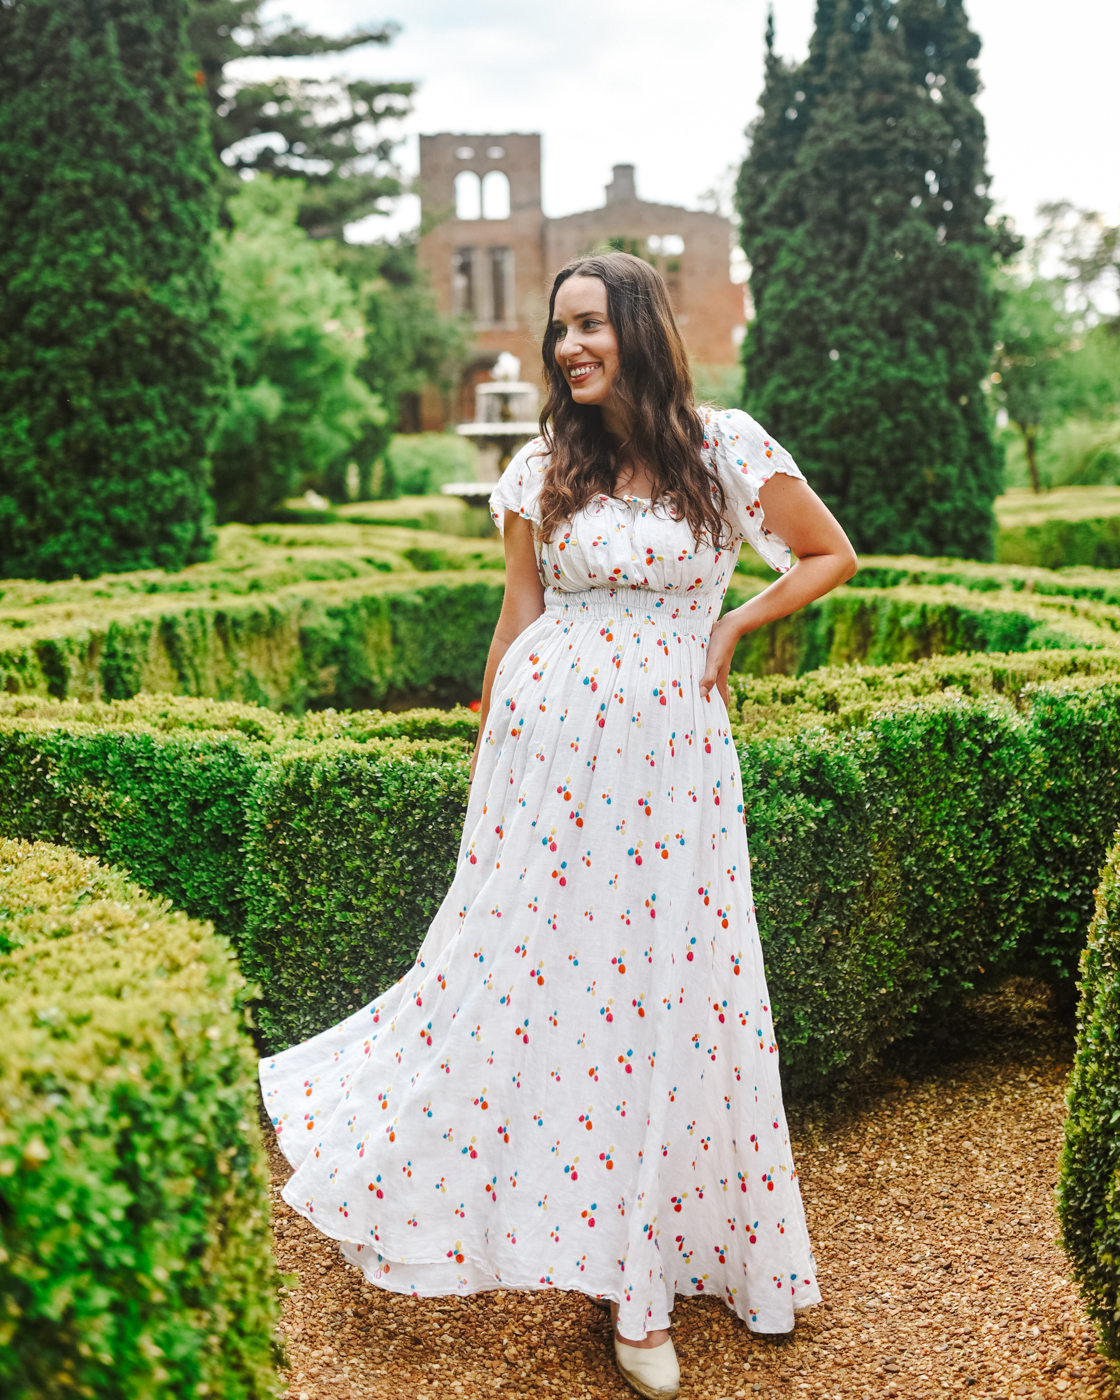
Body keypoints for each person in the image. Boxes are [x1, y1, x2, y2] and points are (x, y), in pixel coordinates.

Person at [260, 251, 858, 1399]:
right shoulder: (543, 465)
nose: (570, 347)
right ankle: (581, 1255)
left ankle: (665, 1266)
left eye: (589, 324)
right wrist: (488, 751)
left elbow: (828, 553)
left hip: (672, 763)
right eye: (558, 331)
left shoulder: (724, 445)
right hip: (549, 755)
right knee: (539, 983)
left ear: (637, 325)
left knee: (669, 988)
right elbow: (519, 610)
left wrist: (732, 625)